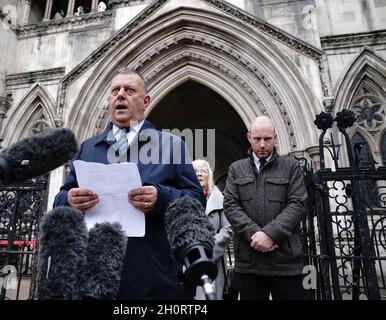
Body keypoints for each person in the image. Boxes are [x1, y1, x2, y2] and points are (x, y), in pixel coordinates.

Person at [53, 68, 205, 299]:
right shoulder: (87, 148)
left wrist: (161, 198)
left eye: (129, 90)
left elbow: (196, 201)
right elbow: (59, 200)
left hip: (152, 278)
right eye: (115, 90)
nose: (120, 95)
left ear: (145, 101)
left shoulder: (171, 145)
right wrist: (70, 200)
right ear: (109, 100)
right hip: (95, 280)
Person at [223, 116, 307, 300]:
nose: (262, 145)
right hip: (249, 262)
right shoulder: (236, 169)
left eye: (267, 139)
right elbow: (230, 205)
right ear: (248, 137)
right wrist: (255, 234)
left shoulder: (291, 167)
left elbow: (298, 204)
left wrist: (271, 234)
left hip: (286, 263)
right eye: (257, 139)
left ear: (275, 137)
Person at [192, 159, 233, 300]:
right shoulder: (182, 197)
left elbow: (228, 229)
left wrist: (209, 248)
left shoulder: (220, 199)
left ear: (209, 175)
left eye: (203, 171)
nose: (199, 174)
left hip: (212, 261)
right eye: (195, 171)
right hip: (189, 260)